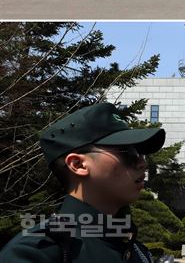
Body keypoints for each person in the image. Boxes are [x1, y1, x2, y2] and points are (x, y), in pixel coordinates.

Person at [0, 102, 166, 262]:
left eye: (140, 153)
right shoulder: (35, 253)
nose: (142, 163)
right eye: (127, 152)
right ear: (77, 165)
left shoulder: (135, 250)